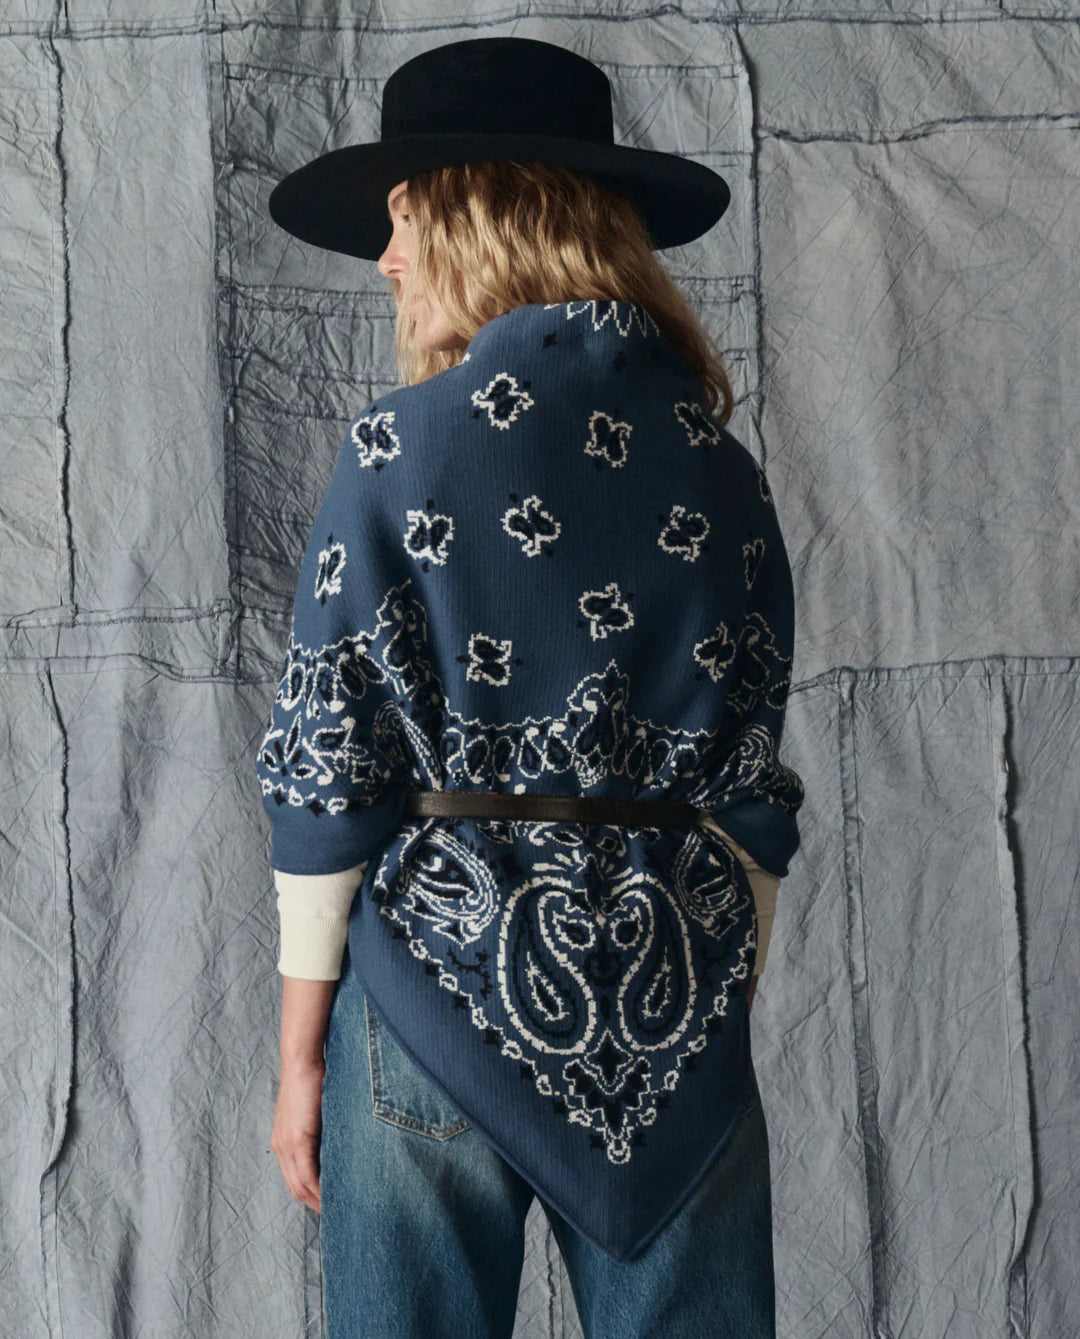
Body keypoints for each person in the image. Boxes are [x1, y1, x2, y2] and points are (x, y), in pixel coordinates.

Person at [258, 36, 804, 1339]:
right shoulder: (724, 473)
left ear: (480, 215)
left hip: (434, 1004)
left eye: (401, 223)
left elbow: (332, 765)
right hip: (673, 1011)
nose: (385, 262)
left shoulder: (403, 447)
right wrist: (710, 984)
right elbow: (753, 798)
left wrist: (297, 1055)